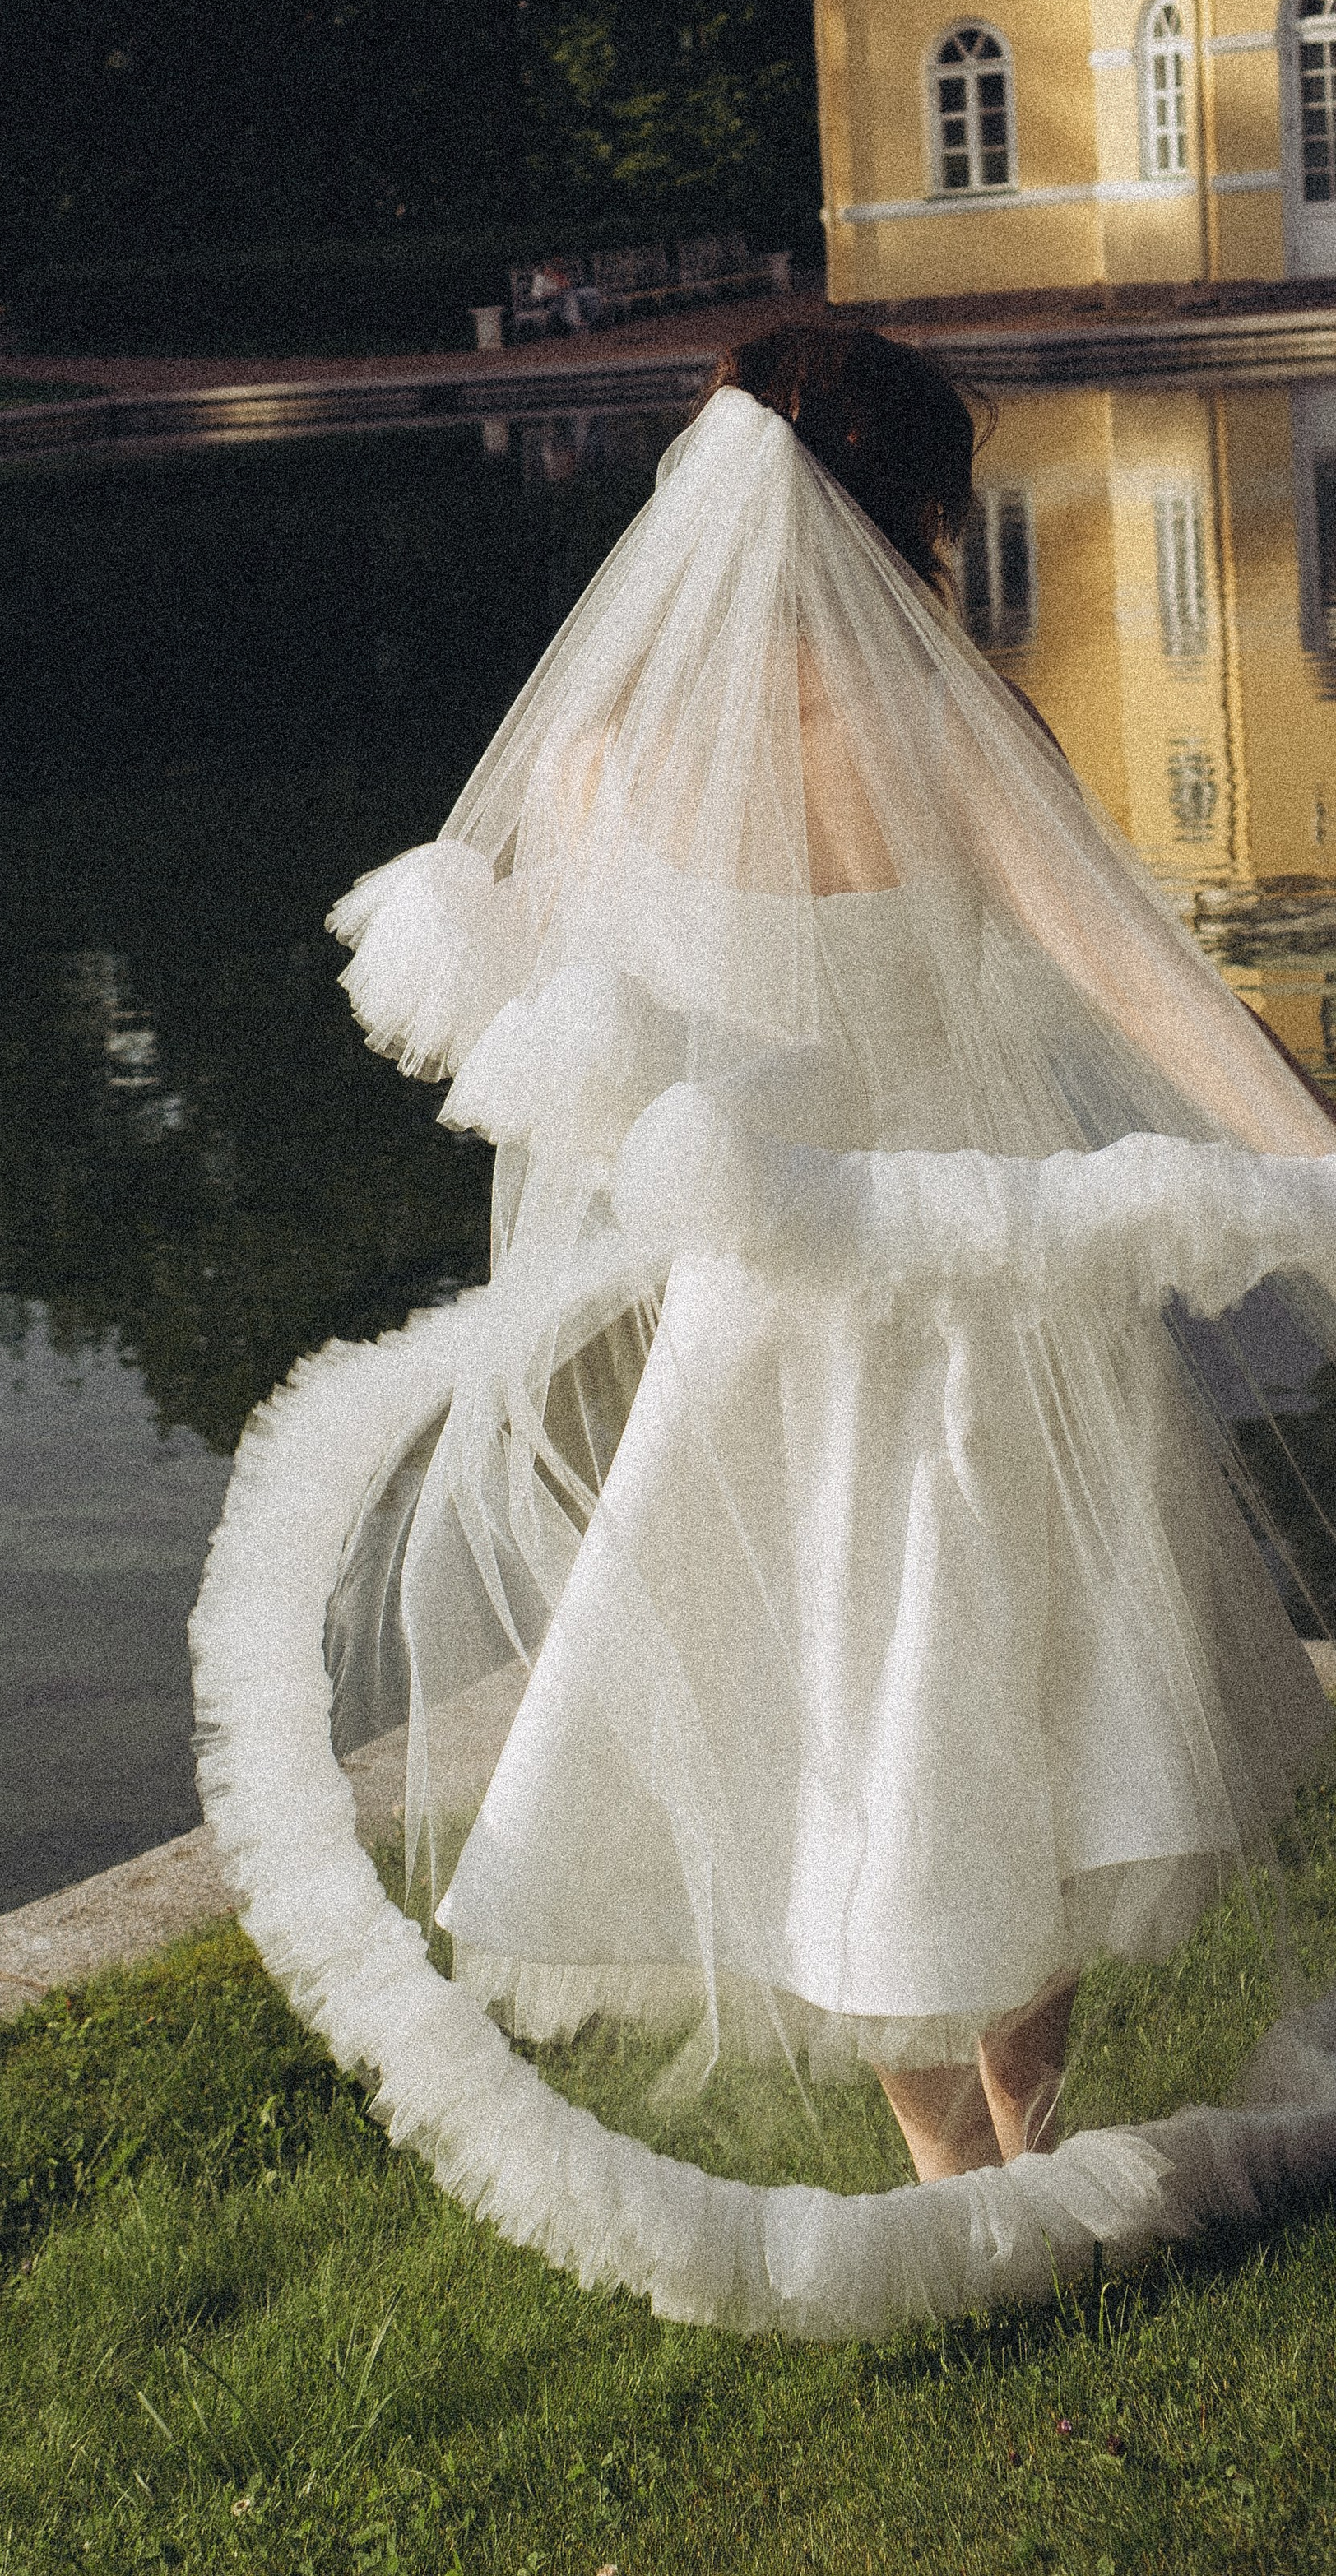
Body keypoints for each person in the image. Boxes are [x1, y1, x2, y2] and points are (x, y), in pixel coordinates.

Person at [299, 323, 1336, 2205]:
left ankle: (950, 2170)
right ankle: (1024, 2136)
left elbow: (571, 1056)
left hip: (755, 1305)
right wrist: (1312, 1163)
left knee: (820, 1716)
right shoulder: (946, 724)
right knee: (1024, 1701)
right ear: (903, 511)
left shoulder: (600, 759)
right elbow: (1136, 987)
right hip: (987, 1286)